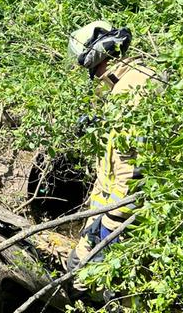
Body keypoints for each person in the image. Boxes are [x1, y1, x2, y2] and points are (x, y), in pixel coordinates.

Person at [65, 21, 159, 292]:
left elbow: (133, 171)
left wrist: (111, 227)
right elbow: (108, 169)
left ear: (96, 57)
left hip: (130, 219)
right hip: (109, 212)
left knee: (120, 293)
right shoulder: (121, 87)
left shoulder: (134, 90)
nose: (89, 75)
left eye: (88, 68)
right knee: (78, 276)